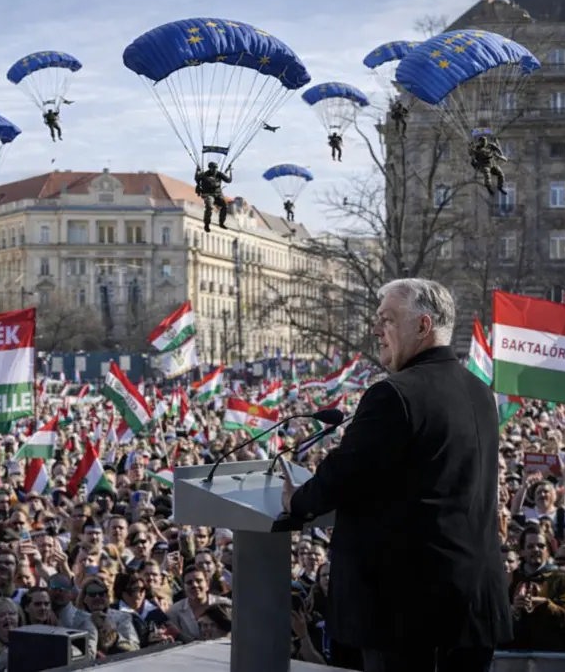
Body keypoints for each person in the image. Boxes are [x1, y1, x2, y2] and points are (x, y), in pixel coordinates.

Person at [281, 278, 511, 672]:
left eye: (386, 319)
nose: (375, 330)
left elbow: (344, 475)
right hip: (472, 604)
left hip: (409, 611)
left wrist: (296, 500)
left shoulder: (395, 395)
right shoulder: (479, 390)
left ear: (422, 326)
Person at [194, 162, 232, 233]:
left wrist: (229, 171)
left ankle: (221, 222)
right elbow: (196, 179)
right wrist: (197, 171)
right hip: (208, 194)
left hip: (218, 194)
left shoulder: (219, 174)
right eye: (213, 169)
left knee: (225, 206)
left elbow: (228, 180)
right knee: (209, 207)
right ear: (210, 168)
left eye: (216, 169)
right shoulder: (204, 175)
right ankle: (207, 224)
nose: (215, 170)